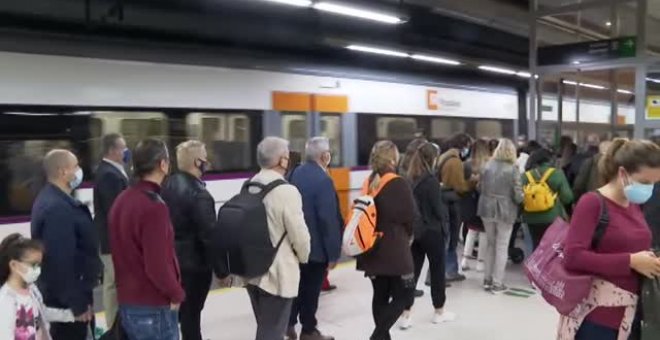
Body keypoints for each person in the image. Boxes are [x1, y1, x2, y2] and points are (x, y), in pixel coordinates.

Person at [563, 139, 660, 339]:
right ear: (622, 173)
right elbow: (572, 256)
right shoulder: (592, 203)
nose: (650, 189)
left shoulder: (633, 205)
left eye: (654, 183)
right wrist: (631, 261)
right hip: (598, 317)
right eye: (644, 182)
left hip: (632, 313)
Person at [109, 139, 185, 340]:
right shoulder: (154, 207)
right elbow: (157, 264)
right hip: (153, 307)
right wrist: (177, 293)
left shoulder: (122, 199)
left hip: (128, 303)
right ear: (162, 164)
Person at [245, 137, 311, 340]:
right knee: (272, 332)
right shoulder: (286, 191)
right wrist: (303, 257)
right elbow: (299, 235)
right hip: (277, 273)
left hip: (251, 270)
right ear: (282, 160)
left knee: (265, 326)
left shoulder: (249, 184)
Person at [31, 149, 99, 340]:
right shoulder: (58, 209)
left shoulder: (51, 199)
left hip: (65, 297)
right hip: (68, 303)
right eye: (76, 166)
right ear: (62, 172)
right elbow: (61, 262)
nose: (79, 170)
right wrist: (77, 304)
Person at [356, 140, 416, 340]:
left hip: (371, 249)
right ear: (392, 158)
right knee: (404, 295)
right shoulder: (397, 183)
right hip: (394, 249)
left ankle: (382, 337)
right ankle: (378, 336)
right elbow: (410, 217)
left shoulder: (369, 181)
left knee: (380, 295)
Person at [287, 137, 342, 340]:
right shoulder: (323, 180)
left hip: (294, 245)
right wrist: (334, 253)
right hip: (316, 249)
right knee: (311, 291)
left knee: (296, 287)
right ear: (324, 156)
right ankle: (309, 330)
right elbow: (328, 220)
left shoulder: (294, 173)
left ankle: (289, 324)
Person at [161, 140, 216, 340]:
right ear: (197, 162)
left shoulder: (166, 186)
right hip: (195, 265)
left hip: (171, 262)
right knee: (192, 315)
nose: (207, 162)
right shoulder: (200, 194)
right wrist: (222, 269)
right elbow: (209, 236)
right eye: (204, 158)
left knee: (181, 314)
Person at [399, 141, 455, 330]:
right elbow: (438, 209)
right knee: (437, 271)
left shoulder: (409, 177)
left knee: (412, 273)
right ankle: (439, 311)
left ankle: (406, 314)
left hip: (416, 232)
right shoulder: (430, 180)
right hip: (433, 231)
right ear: (432, 158)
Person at [0, 234, 78, 339]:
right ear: (14, 265)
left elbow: (42, 312)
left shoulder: (32, 289)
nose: (37, 270)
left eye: (39, 265)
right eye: (33, 265)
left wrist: (71, 315)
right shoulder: (6, 300)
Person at [477, 139, 524, 293]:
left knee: (490, 244)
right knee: (502, 245)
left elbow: (479, 187)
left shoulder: (487, 166)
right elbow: (517, 196)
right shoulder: (513, 169)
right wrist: (523, 197)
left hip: (486, 208)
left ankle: (487, 279)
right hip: (505, 210)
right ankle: (498, 283)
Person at [93, 133, 129, 331]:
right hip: (113, 242)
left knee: (110, 285)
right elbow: (115, 211)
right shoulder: (109, 174)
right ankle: (117, 327)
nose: (126, 151)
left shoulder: (113, 170)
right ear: (113, 150)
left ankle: (112, 325)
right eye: (123, 147)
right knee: (119, 283)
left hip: (110, 241)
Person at [436, 133, 475, 282]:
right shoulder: (454, 162)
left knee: (448, 238)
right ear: (463, 145)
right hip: (451, 203)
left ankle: (450, 270)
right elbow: (459, 186)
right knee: (450, 239)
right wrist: (473, 182)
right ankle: (447, 271)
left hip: (444, 202)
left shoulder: (445, 157)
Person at [521, 148, 574, 249]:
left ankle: (533, 263)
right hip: (552, 217)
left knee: (535, 245)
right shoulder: (557, 174)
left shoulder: (525, 176)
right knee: (551, 248)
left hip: (530, 218)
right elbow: (567, 197)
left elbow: (519, 196)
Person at [460, 138, 490, 272]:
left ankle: (465, 260)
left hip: (469, 201)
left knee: (471, 230)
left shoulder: (466, 164)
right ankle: (480, 263)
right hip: (484, 201)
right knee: (483, 233)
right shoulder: (489, 165)